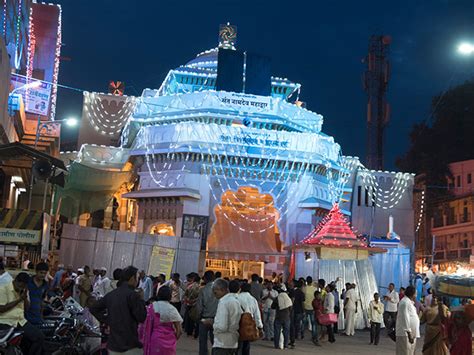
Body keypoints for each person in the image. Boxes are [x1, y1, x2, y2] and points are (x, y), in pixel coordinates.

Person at [90, 265, 147, 355]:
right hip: (130, 344)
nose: (138, 280)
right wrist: (141, 300)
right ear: (132, 278)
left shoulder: (112, 294)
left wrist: (107, 320)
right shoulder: (133, 295)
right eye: (137, 277)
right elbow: (142, 317)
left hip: (114, 344)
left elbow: (93, 308)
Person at [0, 272, 44, 355]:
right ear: (15, 281)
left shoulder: (24, 290)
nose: (20, 288)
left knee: (39, 337)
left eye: (23, 287)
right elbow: (1, 309)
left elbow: (27, 309)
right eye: (19, 286)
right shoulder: (3, 289)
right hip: (6, 321)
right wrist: (19, 300)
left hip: (20, 321)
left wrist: (25, 298)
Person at [202, 278, 241, 355]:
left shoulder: (224, 302)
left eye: (215, 292)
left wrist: (211, 323)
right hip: (233, 342)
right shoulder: (235, 300)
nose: (214, 294)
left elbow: (222, 326)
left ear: (222, 290)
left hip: (222, 343)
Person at [141, 285, 183, 355]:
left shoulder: (151, 307)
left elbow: (144, 325)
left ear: (158, 295)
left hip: (155, 340)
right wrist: (173, 339)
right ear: (170, 296)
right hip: (169, 341)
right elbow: (179, 330)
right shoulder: (172, 309)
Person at [237, 282, 263, 355]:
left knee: (239, 346)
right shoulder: (253, 299)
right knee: (246, 345)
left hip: (239, 324)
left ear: (241, 288)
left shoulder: (237, 297)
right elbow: (257, 315)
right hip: (249, 325)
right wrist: (260, 327)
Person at [196, 270, 218, 355]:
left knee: (203, 341)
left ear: (205, 278)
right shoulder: (219, 289)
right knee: (215, 341)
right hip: (216, 318)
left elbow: (199, 306)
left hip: (204, 318)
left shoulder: (203, 290)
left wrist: (199, 316)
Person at [395, 286, 420, 355]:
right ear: (412, 294)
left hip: (412, 333)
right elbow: (405, 318)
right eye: (416, 293)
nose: (416, 295)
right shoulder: (404, 302)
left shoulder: (409, 302)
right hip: (405, 334)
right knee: (404, 352)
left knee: (410, 352)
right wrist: (409, 333)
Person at [183, 273, 200, 337]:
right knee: (194, 318)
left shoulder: (189, 286)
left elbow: (185, 294)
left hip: (188, 303)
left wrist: (187, 300)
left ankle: (188, 331)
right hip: (195, 304)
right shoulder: (199, 287)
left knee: (188, 317)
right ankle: (194, 332)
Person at [303, 276, 318, 344]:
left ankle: (302, 334)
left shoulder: (304, 288)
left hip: (305, 307)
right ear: (311, 281)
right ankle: (314, 336)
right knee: (313, 323)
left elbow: (303, 299)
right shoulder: (315, 289)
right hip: (313, 308)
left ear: (306, 281)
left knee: (304, 322)